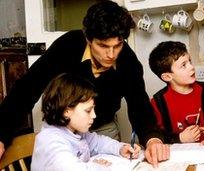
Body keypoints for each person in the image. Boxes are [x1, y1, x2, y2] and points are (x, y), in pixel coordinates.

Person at [0, 0, 169, 166]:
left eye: (117, 46)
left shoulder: (128, 61)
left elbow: (139, 105)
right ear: (88, 38)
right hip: (62, 130)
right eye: (103, 46)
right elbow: (27, 89)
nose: (111, 54)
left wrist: (152, 138)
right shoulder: (67, 46)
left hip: (103, 130)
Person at [31, 73, 141, 171]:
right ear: (67, 111)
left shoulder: (75, 130)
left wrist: (120, 148)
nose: (94, 115)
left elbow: (98, 142)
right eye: (88, 111)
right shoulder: (51, 142)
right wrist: (97, 166)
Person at [149, 41, 204, 144]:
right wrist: (180, 138)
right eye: (184, 65)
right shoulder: (158, 102)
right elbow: (156, 136)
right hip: (178, 157)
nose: (191, 67)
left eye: (190, 61)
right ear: (167, 76)